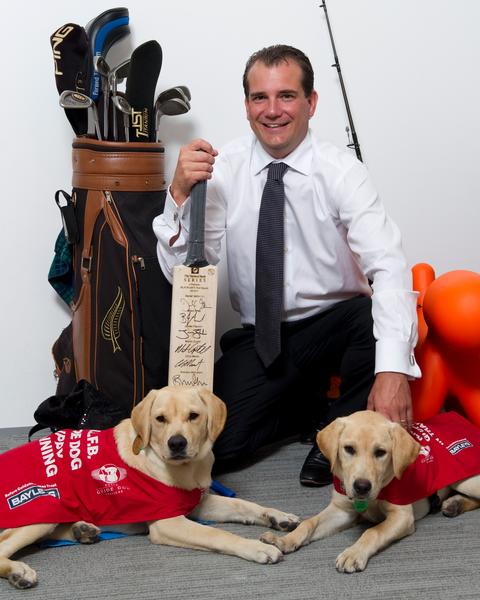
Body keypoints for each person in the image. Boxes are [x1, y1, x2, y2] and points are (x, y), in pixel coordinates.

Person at [153, 44, 420, 486]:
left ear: (311, 103)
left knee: (366, 318)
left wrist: (393, 371)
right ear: (246, 105)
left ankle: (333, 432)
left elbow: (388, 267)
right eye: (260, 97)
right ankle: (305, 407)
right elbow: (186, 275)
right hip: (263, 337)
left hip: (334, 326)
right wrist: (180, 197)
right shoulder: (223, 171)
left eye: (287, 96)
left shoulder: (342, 171)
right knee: (219, 448)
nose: (273, 110)